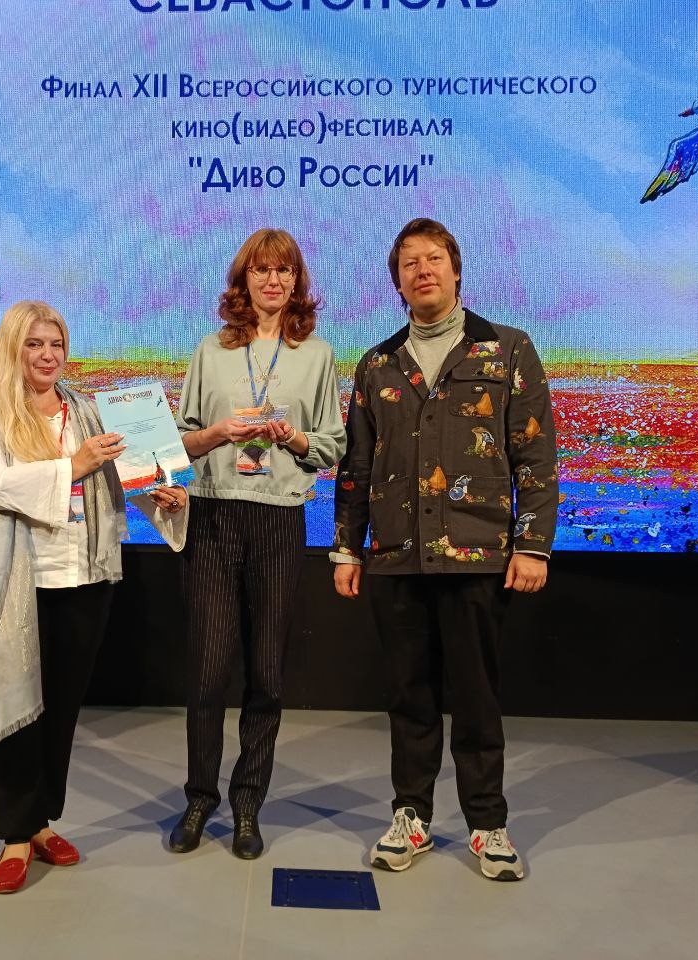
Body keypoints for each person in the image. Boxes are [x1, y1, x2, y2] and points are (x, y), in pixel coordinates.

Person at [331, 218, 558, 881]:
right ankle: (411, 815)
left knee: (477, 695)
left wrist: (533, 546)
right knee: (409, 694)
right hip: (396, 556)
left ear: (456, 271)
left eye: (434, 259)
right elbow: (357, 466)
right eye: (410, 263)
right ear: (397, 281)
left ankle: (487, 823)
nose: (422, 270)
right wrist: (347, 550)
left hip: (477, 555)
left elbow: (534, 455)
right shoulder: (377, 364)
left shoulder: (508, 350)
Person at [0, 300, 188, 894]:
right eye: (34, 344)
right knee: (15, 711)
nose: (47, 355)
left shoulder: (89, 410)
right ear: (13, 350)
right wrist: (72, 465)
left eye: (56, 344)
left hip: (84, 576)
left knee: (60, 710)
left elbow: (125, 474)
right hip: (16, 580)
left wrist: (161, 494)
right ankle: (13, 834)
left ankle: (40, 822)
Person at [170, 229, 347, 859]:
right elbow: (181, 440)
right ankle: (199, 799)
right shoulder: (210, 350)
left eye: (285, 271)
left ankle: (248, 805)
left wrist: (292, 438)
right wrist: (220, 433)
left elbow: (333, 446)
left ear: (298, 282)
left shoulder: (317, 355)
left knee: (267, 673)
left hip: (278, 520)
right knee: (208, 671)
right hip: (214, 516)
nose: (273, 280)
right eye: (261, 270)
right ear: (242, 280)